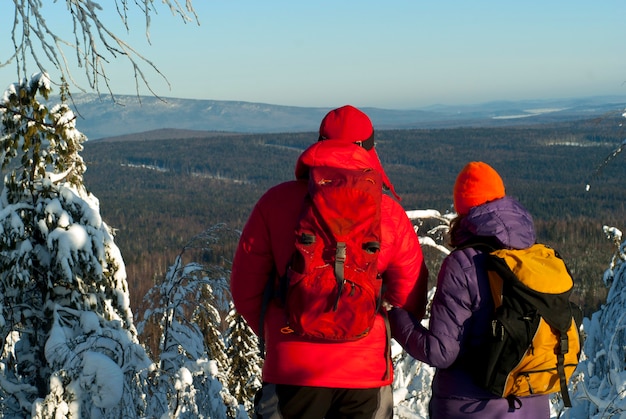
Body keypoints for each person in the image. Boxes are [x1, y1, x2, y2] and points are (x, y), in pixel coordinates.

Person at [230, 105, 429, 419]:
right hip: (364, 374)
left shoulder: (275, 202)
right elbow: (410, 297)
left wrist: (279, 334)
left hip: (291, 369)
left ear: (319, 143)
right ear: (370, 149)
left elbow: (245, 290)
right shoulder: (389, 214)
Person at [388, 161, 551, 418]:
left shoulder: (463, 264)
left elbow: (441, 353)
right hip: (532, 404)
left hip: (471, 406)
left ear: (462, 209)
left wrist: (395, 317)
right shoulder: (533, 257)